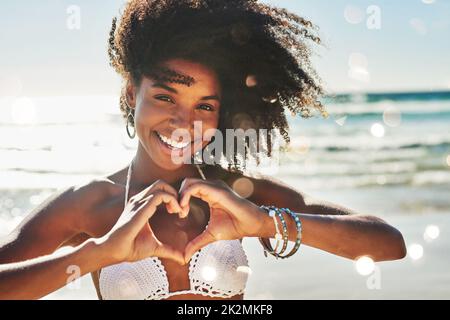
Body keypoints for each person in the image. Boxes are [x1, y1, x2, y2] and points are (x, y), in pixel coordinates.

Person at [0, 0, 406, 300]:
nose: (183, 123)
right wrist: (99, 252)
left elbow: (388, 244)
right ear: (131, 92)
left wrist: (264, 223)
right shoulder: (91, 203)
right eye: (165, 97)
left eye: (205, 106)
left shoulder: (238, 194)